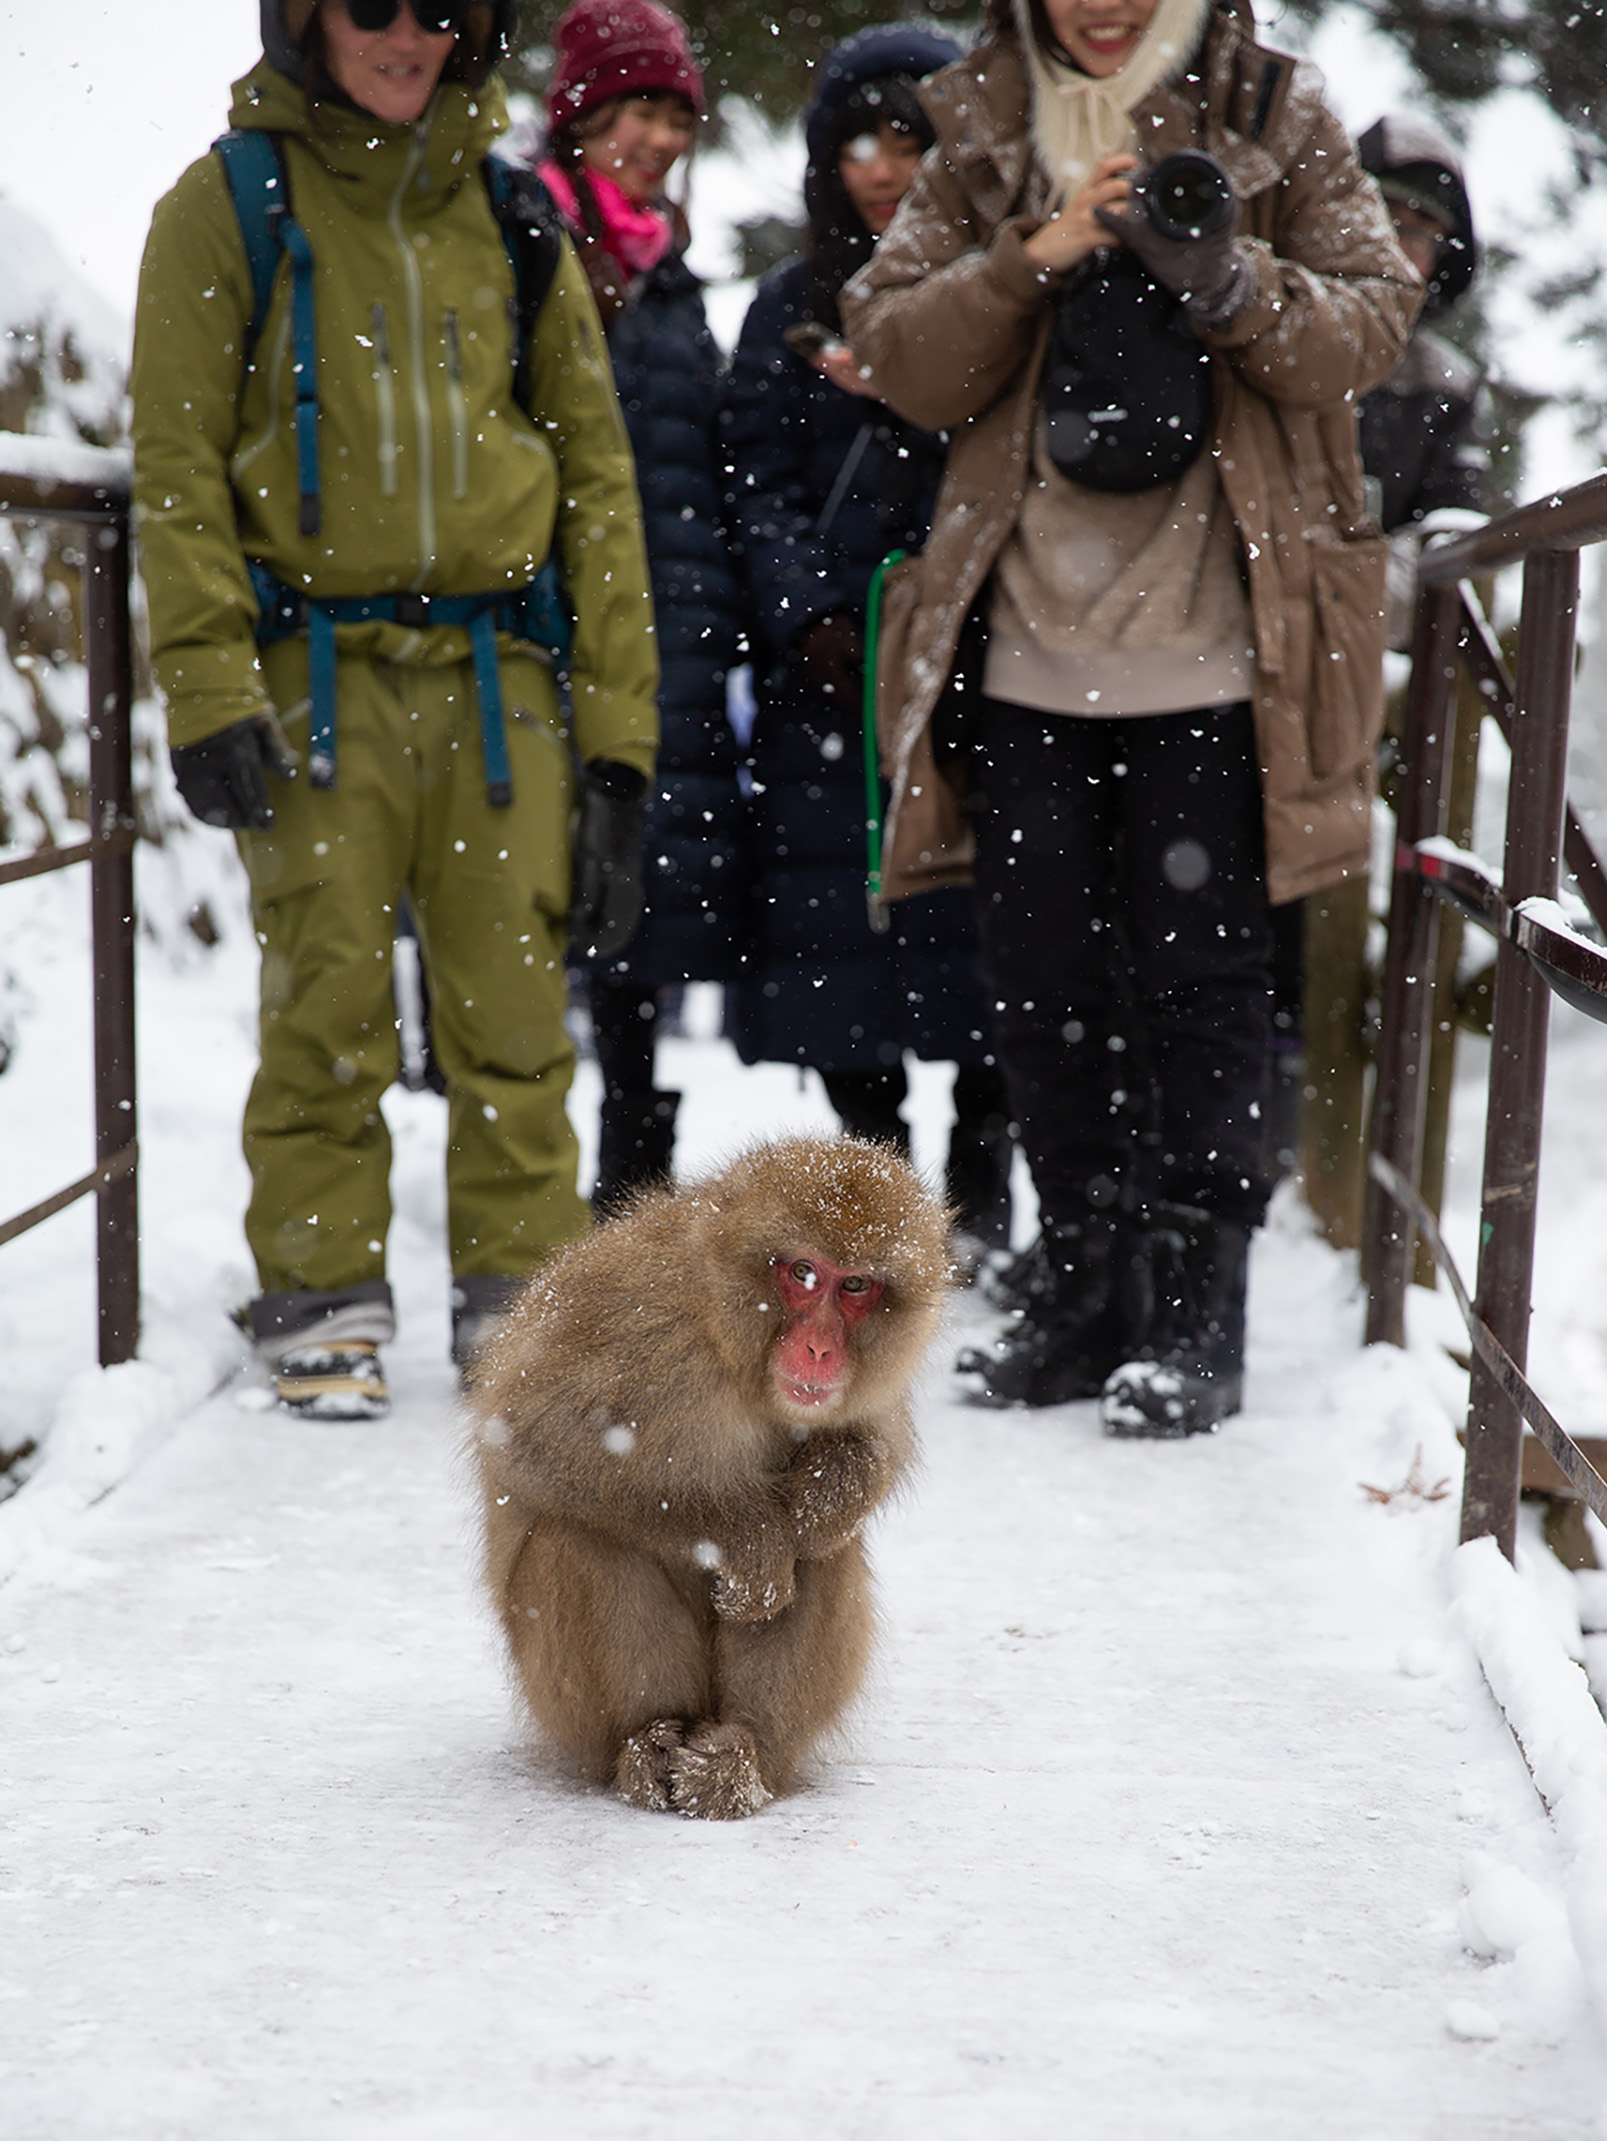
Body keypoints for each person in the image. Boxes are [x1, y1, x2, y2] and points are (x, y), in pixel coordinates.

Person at [842, 0, 1422, 1433]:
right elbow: (897, 353)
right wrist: (1031, 258)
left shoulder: (1277, 107)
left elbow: (1370, 327)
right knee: (1037, 979)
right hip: (1026, 639)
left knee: (1202, 986)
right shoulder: (978, 115)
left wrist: (1226, 276)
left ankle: (1198, 1305)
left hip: (1226, 651)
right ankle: (1083, 1283)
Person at [132, 0, 658, 1417]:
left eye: (443, 10)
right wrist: (207, 682)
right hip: (315, 675)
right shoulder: (228, 204)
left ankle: (523, 1301)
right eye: (373, 4)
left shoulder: (511, 215)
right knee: (327, 1004)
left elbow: (598, 486)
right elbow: (176, 464)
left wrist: (619, 746)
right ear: (306, 15)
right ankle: (322, 1293)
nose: (407, 35)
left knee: (516, 1019)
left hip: (503, 686)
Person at [720, 24, 1013, 1263]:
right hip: (826, 686)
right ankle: (881, 1208)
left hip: (972, 668)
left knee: (990, 944)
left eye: (909, 137)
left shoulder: (994, 288)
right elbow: (752, 479)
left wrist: (960, 614)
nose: (882, 167)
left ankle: (985, 1200)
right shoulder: (789, 306)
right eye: (857, 140)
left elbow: (1009, 469)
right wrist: (808, 614)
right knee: (845, 964)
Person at [539, 0, 747, 1207]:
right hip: (543, 631)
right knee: (525, 908)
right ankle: (518, 1191)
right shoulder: (527, 243)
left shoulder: (669, 280)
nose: (660, 135)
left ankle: (628, 1189)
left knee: (640, 920)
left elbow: (698, 467)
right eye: (638, 109)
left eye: (676, 113)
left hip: (666, 636)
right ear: (582, 113)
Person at [1357, 115, 1491, 640]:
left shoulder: (1447, 385)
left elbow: (1451, 535)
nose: (1398, 243)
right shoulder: (1265, 329)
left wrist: (1347, 588)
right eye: (1384, 215)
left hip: (1369, 644)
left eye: (1421, 229)